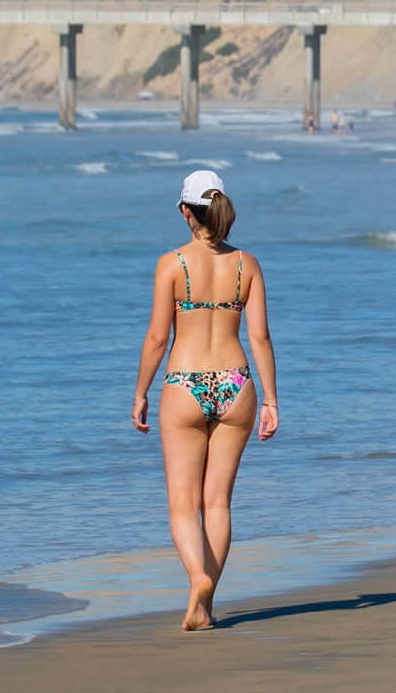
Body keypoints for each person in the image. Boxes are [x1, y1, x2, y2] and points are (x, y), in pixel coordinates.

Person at [132, 170, 279, 631]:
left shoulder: (171, 264)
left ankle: (198, 578)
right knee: (217, 503)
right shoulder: (247, 265)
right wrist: (271, 401)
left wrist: (139, 392)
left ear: (185, 211)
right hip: (237, 384)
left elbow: (158, 337)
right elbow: (260, 337)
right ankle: (207, 604)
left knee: (182, 504)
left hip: (185, 384)